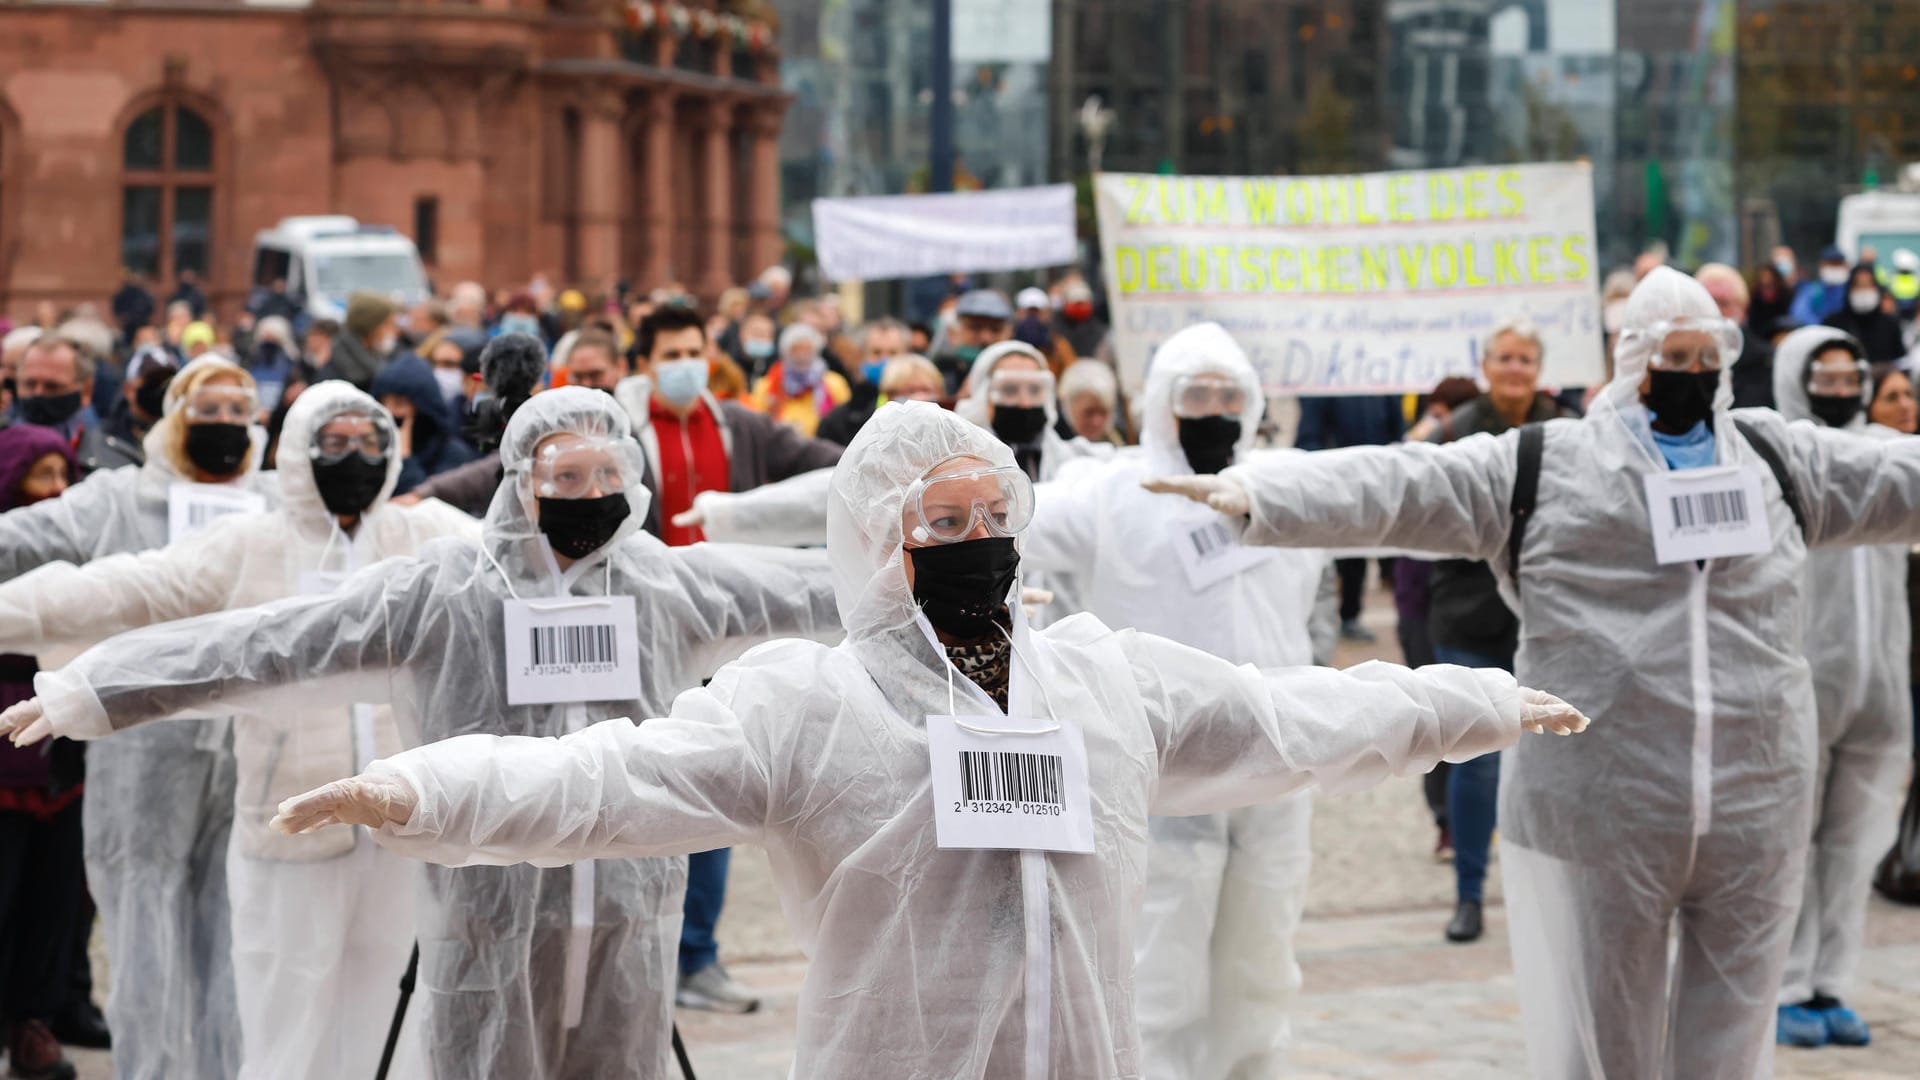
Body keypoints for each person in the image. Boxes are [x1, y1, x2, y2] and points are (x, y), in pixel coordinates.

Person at [260, 399, 1589, 1079]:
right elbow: (606, 779)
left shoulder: (1098, 681)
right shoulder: (813, 704)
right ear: (879, 543)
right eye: (937, 526)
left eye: (986, 519)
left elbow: (1297, 715)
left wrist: (1473, 701)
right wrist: (409, 787)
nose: (973, 545)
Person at [1144, 266, 1920, 1079]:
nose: (1691, 372)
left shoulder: (1775, 460)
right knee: (1602, 1034)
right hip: (1605, 799)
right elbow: (1401, 483)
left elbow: (1894, 475)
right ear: (1632, 359)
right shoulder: (1548, 465)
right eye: (1672, 354)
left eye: (1705, 354)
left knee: (1733, 1027)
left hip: (1757, 797)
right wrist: (1259, 492)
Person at [0, 387, 839, 1078]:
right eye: (565, 475)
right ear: (520, 480)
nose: (589, 494)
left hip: (633, 910)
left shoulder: (662, 585)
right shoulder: (449, 590)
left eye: (605, 473)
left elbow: (806, 592)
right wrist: (97, 687)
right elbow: (274, 641)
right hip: (488, 905)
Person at [0, 384, 477, 1079]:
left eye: (371, 443)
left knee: (397, 1026)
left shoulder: (419, 535)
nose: (355, 458)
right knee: (288, 1022)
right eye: (335, 443)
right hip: (290, 829)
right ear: (297, 452)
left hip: (401, 828)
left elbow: (518, 557)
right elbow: (124, 588)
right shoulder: (253, 544)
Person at [1019, 323, 1333, 1078]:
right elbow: (1005, 519)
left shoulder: (1282, 494)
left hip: (1272, 751)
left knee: (1263, 943)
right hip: (1160, 759)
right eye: (1196, 395)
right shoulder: (1112, 494)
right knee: (1160, 953)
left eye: (1230, 395)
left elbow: (1388, 505)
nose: (1214, 410)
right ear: (1161, 402)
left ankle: (1252, 1067)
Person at [0, 357, 279, 1080]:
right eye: (207, 410)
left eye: (237, 412)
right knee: (141, 915)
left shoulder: (274, 503)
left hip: (246, 745)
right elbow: (28, 538)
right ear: (174, 416)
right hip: (141, 745)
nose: (223, 425)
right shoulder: (124, 498)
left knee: (233, 925)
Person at [1766, 327, 1913, 1049]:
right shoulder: (1779, 457)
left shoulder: (1886, 451)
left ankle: (1831, 981)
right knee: (1795, 840)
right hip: (1804, 680)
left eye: (1846, 372)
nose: (1838, 386)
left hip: (1878, 680)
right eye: (1820, 375)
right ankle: (1787, 983)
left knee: (1853, 846)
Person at [1421, 320, 1577, 943]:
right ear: (1486, 366)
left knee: (1556, 763)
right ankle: (1469, 894)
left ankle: (1560, 895)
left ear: (1540, 368)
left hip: (1547, 618)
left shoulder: (1567, 429)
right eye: (1505, 358)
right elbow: (1425, 511)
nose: (1515, 369)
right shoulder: (1455, 429)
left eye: (1527, 359)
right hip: (1468, 613)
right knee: (1478, 760)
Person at [0, 424, 87, 1080]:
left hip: (62, 762)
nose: (57, 491)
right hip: (5, 760)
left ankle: (33, 1022)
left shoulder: (81, 551)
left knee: (51, 903)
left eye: (65, 476)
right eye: (41, 477)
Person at [614, 305, 843, 545]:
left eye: (694, 353)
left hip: (731, 576)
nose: (686, 363)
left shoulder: (741, 425)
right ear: (644, 365)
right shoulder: (626, 436)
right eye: (672, 356)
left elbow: (815, 458)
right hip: (659, 576)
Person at [1294, 391, 1406, 642]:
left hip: (1376, 485)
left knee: (1365, 556)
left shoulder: (1383, 389)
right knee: (1330, 561)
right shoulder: (1325, 387)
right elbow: (1308, 438)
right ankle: (1324, 621)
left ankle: (1350, 615)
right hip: (1333, 485)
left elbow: (1397, 436)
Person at [14, 334, 141, 475]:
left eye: (53, 386)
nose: (38, 394)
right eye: (30, 384)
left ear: (86, 390)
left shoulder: (117, 469)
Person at [371, 352, 478, 496]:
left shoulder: (453, 455)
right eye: (383, 403)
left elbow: (429, 506)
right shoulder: (374, 448)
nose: (389, 412)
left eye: (399, 404)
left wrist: (405, 458)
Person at [1696, 263, 1776, 408]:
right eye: (1707, 302)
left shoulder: (1767, 362)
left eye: (1723, 303)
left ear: (1743, 308)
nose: (1714, 311)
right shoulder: (1681, 362)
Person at [748, 323, 850, 437]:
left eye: (807, 349)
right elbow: (757, 422)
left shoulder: (833, 383)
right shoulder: (767, 384)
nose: (802, 355)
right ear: (785, 352)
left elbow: (844, 419)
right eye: (796, 349)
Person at [95, 346, 177, 470]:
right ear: (128, 390)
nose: (160, 392)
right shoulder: (106, 437)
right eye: (152, 384)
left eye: (166, 385)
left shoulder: (181, 434)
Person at [1822, 264, 1906, 365]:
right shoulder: (1833, 324)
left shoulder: (1890, 324)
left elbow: (1902, 362)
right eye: (1858, 285)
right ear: (1849, 289)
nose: (1863, 291)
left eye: (1868, 285)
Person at [934, 289, 1014, 394]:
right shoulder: (937, 375)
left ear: (1010, 333)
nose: (986, 338)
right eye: (975, 328)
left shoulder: (1021, 373)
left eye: (996, 329)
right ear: (953, 333)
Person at [321, 291, 401, 391]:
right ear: (371, 326)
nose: (396, 331)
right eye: (388, 324)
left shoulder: (375, 361)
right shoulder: (335, 378)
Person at [1055, 360, 1124, 446]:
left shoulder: (1117, 437)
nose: (1097, 422)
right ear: (1068, 405)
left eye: (1103, 411)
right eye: (1089, 412)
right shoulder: (1051, 441)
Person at [1791, 245, 1854, 325]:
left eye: (1838, 264)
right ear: (1821, 266)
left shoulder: (1850, 290)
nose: (1834, 268)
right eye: (1831, 264)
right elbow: (1799, 314)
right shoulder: (1813, 290)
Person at [111, 271, 155, 347]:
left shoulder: (143, 293)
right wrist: (123, 317)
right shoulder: (124, 293)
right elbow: (117, 307)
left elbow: (150, 307)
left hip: (141, 323)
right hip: (128, 325)